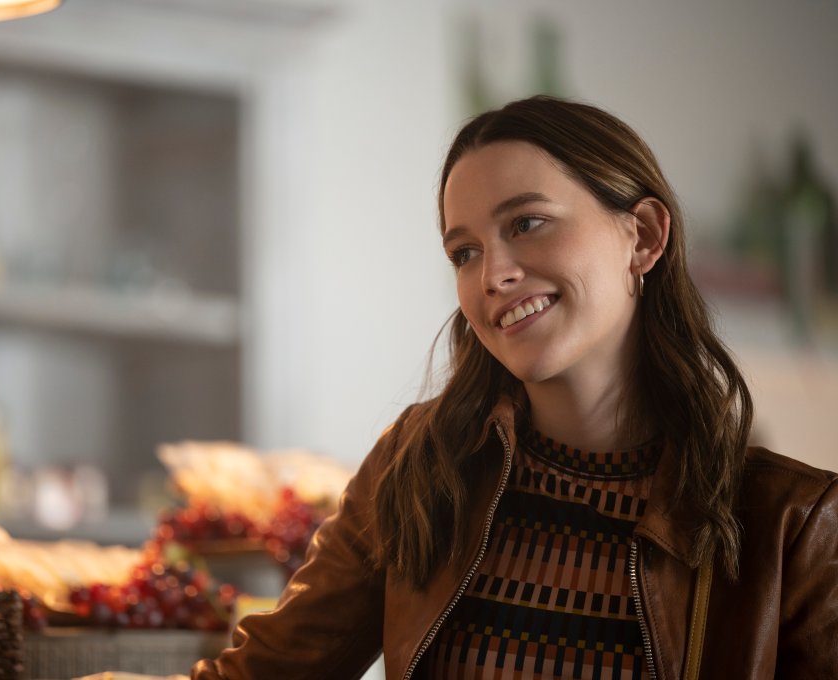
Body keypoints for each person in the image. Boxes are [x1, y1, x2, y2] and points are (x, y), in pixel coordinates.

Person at [183, 96, 837, 679]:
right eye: (464, 252)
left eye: (526, 223)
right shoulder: (418, 469)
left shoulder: (793, 526)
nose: (493, 274)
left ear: (642, 236)